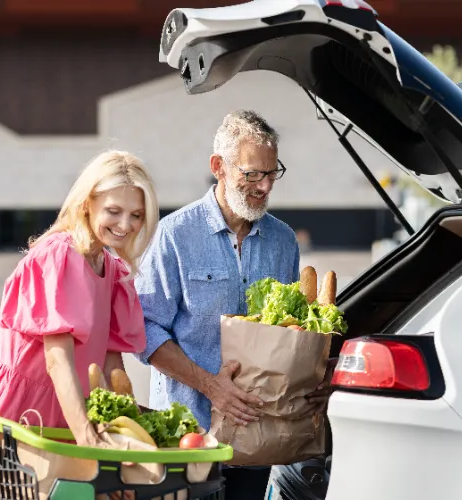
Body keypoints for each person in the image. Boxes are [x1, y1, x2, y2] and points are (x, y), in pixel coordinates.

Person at [0, 150, 159, 500]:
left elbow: (112, 368)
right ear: (87, 204)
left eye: (136, 215)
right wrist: (88, 438)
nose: (125, 225)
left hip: (67, 411)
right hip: (17, 412)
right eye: (113, 211)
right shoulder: (60, 254)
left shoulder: (112, 268)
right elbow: (57, 359)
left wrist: (129, 435)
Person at [135, 110, 332, 499]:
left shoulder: (283, 241)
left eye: (272, 173)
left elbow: (292, 333)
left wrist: (314, 378)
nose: (264, 186)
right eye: (252, 174)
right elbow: (144, 328)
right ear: (219, 168)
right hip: (188, 434)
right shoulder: (176, 235)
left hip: (259, 435)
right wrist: (212, 387)